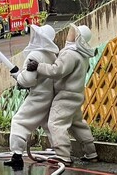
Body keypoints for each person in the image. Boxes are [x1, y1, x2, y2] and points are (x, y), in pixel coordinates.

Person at [27, 23, 98, 166]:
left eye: (73, 32)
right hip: (76, 95)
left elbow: (56, 71)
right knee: (77, 124)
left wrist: (38, 66)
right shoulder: (82, 56)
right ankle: (91, 152)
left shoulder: (70, 53)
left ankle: (63, 155)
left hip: (65, 96)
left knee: (55, 123)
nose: (69, 34)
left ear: (78, 38)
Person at [2, 24, 59, 170]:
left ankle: (16, 156)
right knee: (49, 125)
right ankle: (61, 153)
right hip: (50, 95)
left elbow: (28, 80)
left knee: (20, 122)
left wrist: (17, 76)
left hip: (38, 96)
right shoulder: (51, 55)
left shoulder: (34, 55)